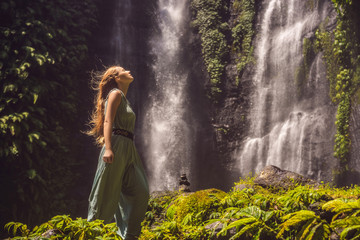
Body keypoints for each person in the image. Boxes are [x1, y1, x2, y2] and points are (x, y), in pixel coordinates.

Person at [86, 66, 149, 239]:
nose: (128, 70)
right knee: (104, 192)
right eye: (122, 69)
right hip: (117, 143)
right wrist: (108, 147)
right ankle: (91, 233)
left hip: (129, 147)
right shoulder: (114, 93)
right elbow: (108, 121)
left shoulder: (123, 98)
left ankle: (129, 235)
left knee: (140, 192)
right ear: (116, 77)